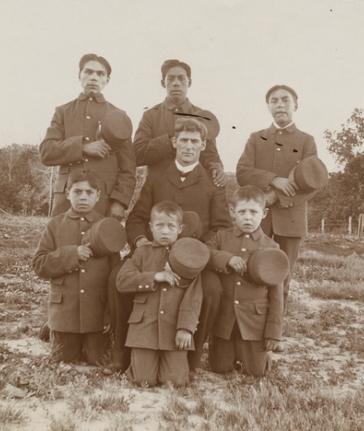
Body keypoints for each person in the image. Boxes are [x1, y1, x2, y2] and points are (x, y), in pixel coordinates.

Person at [120, 117, 231, 375]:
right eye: (183, 140)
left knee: (213, 290)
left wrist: (197, 255)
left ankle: (191, 353)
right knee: (118, 279)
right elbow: (136, 218)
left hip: (195, 261)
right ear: (174, 142)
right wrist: (141, 242)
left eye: (195, 141)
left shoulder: (213, 183)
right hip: (153, 255)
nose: (189, 146)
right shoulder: (157, 176)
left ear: (203, 145)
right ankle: (124, 350)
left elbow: (221, 226)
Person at [236, 85, 318, 333]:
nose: (280, 105)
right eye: (274, 101)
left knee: (281, 276)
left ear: (295, 105)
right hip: (256, 220)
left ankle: (273, 332)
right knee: (250, 270)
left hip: (291, 219)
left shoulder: (306, 141)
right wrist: (274, 180)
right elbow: (242, 171)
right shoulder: (256, 137)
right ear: (268, 106)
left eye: (285, 100)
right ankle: (246, 329)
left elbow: (313, 182)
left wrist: (275, 198)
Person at [32, 170, 119, 365]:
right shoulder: (55, 225)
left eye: (89, 192)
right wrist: (72, 254)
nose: (83, 197)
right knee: (63, 360)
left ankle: (56, 330)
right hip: (65, 314)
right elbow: (39, 264)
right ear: (67, 193)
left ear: (98, 196)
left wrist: (109, 315)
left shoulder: (107, 227)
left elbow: (115, 276)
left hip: (96, 317)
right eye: (77, 192)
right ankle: (51, 328)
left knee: (99, 360)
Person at [116, 201, 203, 387]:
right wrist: (155, 276)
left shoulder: (188, 256)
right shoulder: (141, 253)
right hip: (144, 328)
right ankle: (140, 365)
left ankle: (178, 366)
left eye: (171, 226)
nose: (165, 231)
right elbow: (122, 281)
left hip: (174, 328)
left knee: (174, 381)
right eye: (159, 226)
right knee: (143, 380)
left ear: (180, 229)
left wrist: (186, 328)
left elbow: (194, 296)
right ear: (150, 228)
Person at [39, 53, 136, 219]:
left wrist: (119, 201)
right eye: (88, 72)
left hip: (103, 202)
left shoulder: (119, 116)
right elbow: (46, 153)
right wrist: (83, 147)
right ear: (79, 75)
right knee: (63, 243)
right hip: (66, 202)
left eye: (100, 74)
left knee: (99, 244)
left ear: (107, 80)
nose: (94, 77)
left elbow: (128, 167)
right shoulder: (63, 112)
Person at [205, 185, 283, 376]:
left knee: (256, 371)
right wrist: (227, 259)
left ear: (264, 213)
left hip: (254, 323)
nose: (248, 217)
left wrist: (273, 332)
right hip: (225, 321)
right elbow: (205, 253)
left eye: (253, 212)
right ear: (233, 212)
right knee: (220, 368)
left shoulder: (272, 247)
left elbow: (277, 295)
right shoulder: (222, 237)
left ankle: (256, 354)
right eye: (242, 212)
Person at [133, 59, 226, 187]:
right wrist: (169, 142)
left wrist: (217, 168)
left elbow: (211, 155)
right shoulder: (151, 115)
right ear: (163, 83)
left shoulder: (202, 115)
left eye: (181, 78)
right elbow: (137, 154)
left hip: (194, 189)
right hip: (157, 190)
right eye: (170, 79)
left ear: (190, 82)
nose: (176, 83)